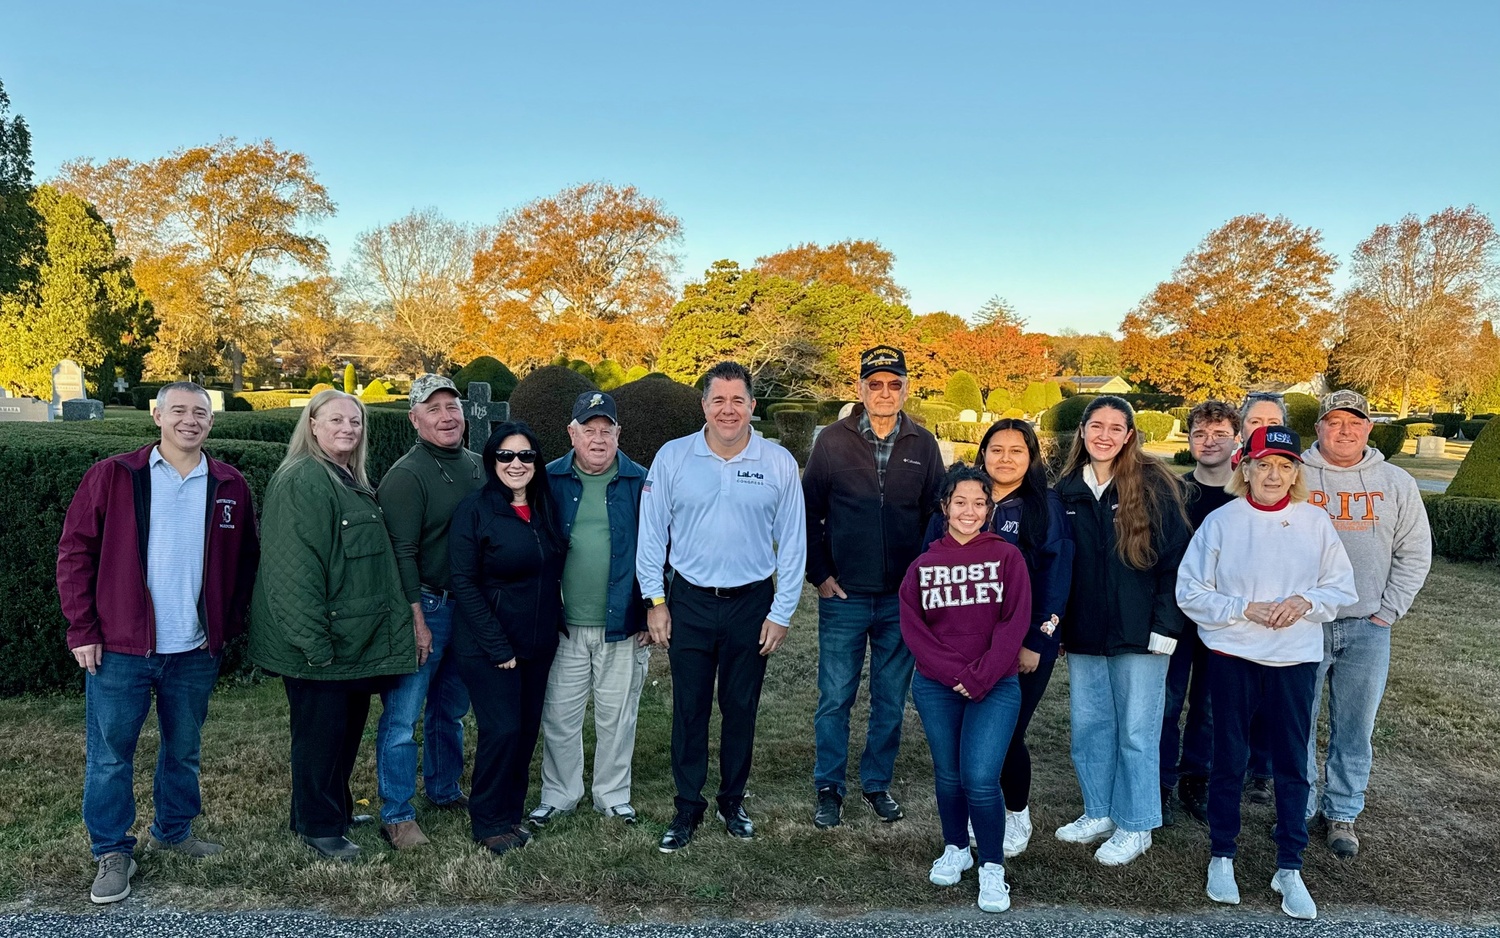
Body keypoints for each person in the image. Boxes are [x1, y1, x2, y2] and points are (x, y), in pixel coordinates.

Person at [58, 382, 260, 904]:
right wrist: (82, 629)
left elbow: (245, 564)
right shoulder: (115, 475)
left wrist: (225, 629)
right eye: (179, 411)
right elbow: (75, 553)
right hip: (121, 649)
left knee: (184, 749)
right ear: (157, 416)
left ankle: (174, 830)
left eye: (200, 412)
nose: (190, 420)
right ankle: (111, 850)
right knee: (109, 756)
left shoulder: (230, 484)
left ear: (210, 422)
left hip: (193, 651)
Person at [1177, 425, 1357, 920]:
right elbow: (1190, 592)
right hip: (1233, 656)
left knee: (1290, 763)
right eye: (1263, 464)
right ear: (1246, 468)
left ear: (1296, 472)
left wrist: (1306, 601)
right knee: (1228, 758)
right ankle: (1222, 855)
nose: (1273, 474)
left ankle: (1290, 865)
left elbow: (1342, 588)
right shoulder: (1222, 521)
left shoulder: (1315, 522)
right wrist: (1243, 608)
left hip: (1295, 659)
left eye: (1285, 465)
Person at [637, 361, 806, 853]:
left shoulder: (776, 462)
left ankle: (733, 800)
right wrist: (656, 600)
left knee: (740, 709)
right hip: (688, 600)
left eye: (738, 400)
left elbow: (793, 543)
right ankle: (687, 805)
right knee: (689, 709)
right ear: (704, 406)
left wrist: (782, 612)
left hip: (751, 604)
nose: (728, 410)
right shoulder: (672, 458)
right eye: (718, 400)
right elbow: (652, 535)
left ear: (753, 406)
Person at [250, 389, 416, 862]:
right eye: (336, 420)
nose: (348, 428)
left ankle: (328, 812)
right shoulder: (303, 478)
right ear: (313, 425)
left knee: (340, 736)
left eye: (356, 421)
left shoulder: (343, 477)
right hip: (320, 646)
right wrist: (313, 644)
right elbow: (293, 570)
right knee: (319, 739)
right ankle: (319, 828)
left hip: (350, 643)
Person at [802, 346, 944, 829]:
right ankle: (829, 784)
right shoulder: (831, 443)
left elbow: (936, 517)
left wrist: (923, 578)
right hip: (844, 595)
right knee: (835, 695)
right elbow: (809, 513)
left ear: (906, 388)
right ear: (860, 389)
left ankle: (877, 782)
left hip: (900, 600)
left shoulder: (923, 444)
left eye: (894, 383)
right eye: (875, 384)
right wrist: (819, 574)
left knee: (889, 696)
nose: (885, 392)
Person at [921, 418, 1074, 858]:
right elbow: (930, 573)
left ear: (1031, 457)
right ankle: (974, 812)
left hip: (1021, 649)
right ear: (982, 453)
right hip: (963, 651)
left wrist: (1036, 642)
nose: (1005, 458)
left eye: (1017, 450)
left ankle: (1016, 811)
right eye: (996, 449)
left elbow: (1055, 580)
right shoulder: (962, 502)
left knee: (1005, 735)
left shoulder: (1044, 507)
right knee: (969, 738)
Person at [1052, 395, 1192, 866]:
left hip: (1143, 634)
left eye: (1116, 427)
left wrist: (1166, 624)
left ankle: (1137, 824)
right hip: (1085, 632)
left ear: (1130, 435)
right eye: (1097, 426)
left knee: (1136, 731)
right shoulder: (1068, 488)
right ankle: (1100, 811)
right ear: (1084, 431)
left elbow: (1176, 560)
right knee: (1090, 728)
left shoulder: (1152, 485)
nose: (1105, 435)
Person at [1301, 390, 1432, 858]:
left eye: (1354, 422)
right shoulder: (1292, 473)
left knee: (1355, 726)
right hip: (1305, 625)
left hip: (1367, 627)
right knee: (1299, 720)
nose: (1344, 430)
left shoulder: (1395, 482)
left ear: (1369, 428)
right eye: (1333, 421)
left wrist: (1388, 611)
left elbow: (1414, 551)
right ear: (1318, 428)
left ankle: (1343, 812)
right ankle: (1300, 806)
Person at [902, 464, 1033, 914]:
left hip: (995, 683)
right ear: (945, 506)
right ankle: (956, 847)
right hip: (937, 685)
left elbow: (1014, 624)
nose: (970, 511)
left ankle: (992, 866)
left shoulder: (1007, 558)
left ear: (990, 510)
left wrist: (979, 676)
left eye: (980, 503)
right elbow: (915, 631)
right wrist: (955, 673)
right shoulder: (924, 564)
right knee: (950, 775)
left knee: (980, 778)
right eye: (961, 502)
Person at [529, 392, 651, 826]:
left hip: (622, 622)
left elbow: (662, 549)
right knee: (560, 713)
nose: (598, 439)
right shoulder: (548, 480)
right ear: (572, 433)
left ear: (618, 434)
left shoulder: (642, 481)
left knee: (618, 715)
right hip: (562, 624)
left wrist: (651, 609)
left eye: (606, 430)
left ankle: (612, 795)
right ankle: (561, 793)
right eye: (589, 430)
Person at [448, 422, 568, 856]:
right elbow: (464, 583)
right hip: (489, 646)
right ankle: (487, 820)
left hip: (537, 643)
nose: (516, 464)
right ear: (491, 460)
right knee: (502, 731)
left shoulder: (543, 508)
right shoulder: (475, 511)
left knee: (525, 731)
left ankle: (510, 815)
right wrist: (498, 647)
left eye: (525, 456)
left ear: (536, 462)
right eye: (506, 456)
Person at [373, 374, 482, 850]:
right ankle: (396, 813)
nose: (446, 416)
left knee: (451, 709)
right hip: (428, 605)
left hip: (469, 607)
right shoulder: (406, 476)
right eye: (433, 409)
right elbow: (400, 554)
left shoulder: (480, 467)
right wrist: (416, 619)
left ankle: (443, 789)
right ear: (415, 419)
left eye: (451, 407)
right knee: (403, 717)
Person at [1160, 401, 1241, 824]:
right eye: (1199, 434)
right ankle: (1161, 783)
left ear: (1236, 439)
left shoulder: (1246, 494)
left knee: (1210, 703)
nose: (1209, 442)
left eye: (1219, 434)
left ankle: (1198, 778)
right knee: (1169, 700)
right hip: (1177, 613)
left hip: (1225, 615)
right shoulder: (1175, 491)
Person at [1236, 391, 1291, 806]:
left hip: (1282, 616)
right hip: (1233, 615)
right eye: (1256, 421)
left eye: (1273, 421)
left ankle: (1262, 770)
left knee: (1273, 704)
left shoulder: (1284, 472)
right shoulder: (1233, 472)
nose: (1264, 428)